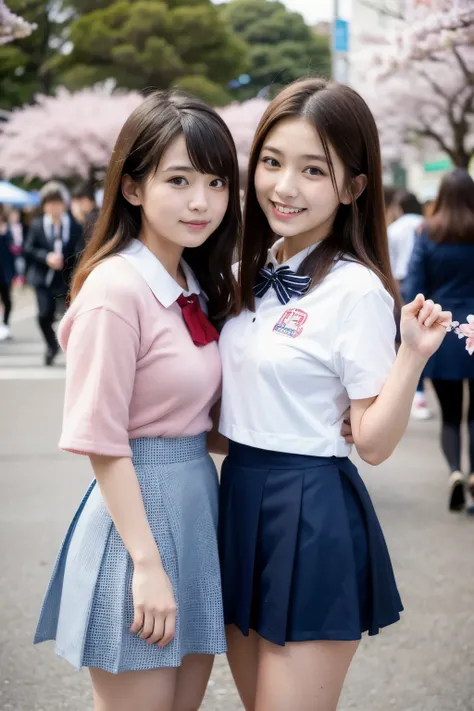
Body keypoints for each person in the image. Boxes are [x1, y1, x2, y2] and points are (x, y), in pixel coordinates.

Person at [216, 78, 451, 711]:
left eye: (312, 170)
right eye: (271, 162)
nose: (284, 186)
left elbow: (371, 443)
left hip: (309, 508)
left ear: (352, 187)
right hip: (235, 497)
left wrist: (412, 356)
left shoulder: (357, 292)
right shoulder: (245, 276)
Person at [33, 90, 242, 711]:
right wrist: (145, 564)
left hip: (196, 511)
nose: (201, 201)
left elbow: (197, 419)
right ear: (131, 188)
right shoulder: (115, 289)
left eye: (215, 181)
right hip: (138, 523)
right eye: (178, 180)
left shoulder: (194, 283)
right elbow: (100, 439)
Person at [403, 169, 474, 512]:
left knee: (449, 416)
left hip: (444, 331)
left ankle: (455, 473)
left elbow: (413, 286)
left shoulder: (428, 232)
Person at [23, 182, 83, 365]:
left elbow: (80, 249)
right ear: (44, 206)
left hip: (66, 279)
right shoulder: (37, 225)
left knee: (72, 317)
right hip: (43, 278)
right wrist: (46, 257)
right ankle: (51, 345)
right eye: (49, 203)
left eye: (57, 203)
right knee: (43, 315)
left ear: (63, 204)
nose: (53, 207)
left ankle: (74, 350)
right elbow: (28, 248)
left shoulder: (73, 225)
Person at [387, 190, 432, 420]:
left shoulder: (393, 229)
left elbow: (390, 264)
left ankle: (414, 391)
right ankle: (420, 393)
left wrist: (394, 295)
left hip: (402, 284)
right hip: (428, 284)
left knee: (404, 339)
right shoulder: (427, 224)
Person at [0, 205, 15, 341]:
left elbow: (12, 252)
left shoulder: (7, 230)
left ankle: (5, 323)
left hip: (5, 271)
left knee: (7, 300)